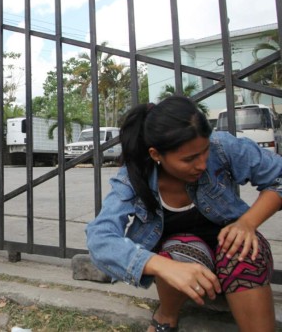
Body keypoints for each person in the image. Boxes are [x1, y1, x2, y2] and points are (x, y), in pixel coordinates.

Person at [86, 95, 282, 332]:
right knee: (180, 248)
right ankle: (167, 315)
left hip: (232, 255)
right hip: (183, 262)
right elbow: (99, 238)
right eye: (189, 159)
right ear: (156, 155)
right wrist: (161, 266)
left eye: (204, 151)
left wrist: (247, 223)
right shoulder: (134, 177)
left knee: (242, 246)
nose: (201, 164)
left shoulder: (223, 146)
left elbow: (278, 177)